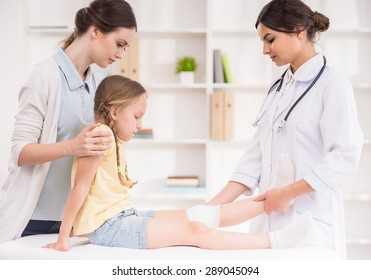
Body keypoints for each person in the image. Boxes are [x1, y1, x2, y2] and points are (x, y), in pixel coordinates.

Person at [44, 75, 313, 252]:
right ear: (114, 111)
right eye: (137, 116)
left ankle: (272, 199)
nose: (140, 124)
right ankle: (275, 242)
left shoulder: (111, 137)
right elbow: (80, 188)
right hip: (109, 227)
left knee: (201, 214)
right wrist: (64, 238)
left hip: (121, 216)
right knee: (195, 228)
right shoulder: (101, 136)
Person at [207, 0, 363, 259]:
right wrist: (211, 210)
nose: (265, 50)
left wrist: (288, 193)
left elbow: (344, 157)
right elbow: (254, 159)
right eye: (262, 42)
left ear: (298, 30)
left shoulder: (333, 85)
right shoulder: (277, 89)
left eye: (270, 39)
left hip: (311, 227)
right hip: (266, 225)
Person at [0, 0, 138, 243]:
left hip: (75, 222)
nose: (120, 54)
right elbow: (19, 151)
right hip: (32, 220)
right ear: (95, 31)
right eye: (119, 44)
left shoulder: (95, 82)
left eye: (125, 48)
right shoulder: (45, 76)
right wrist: (73, 146)